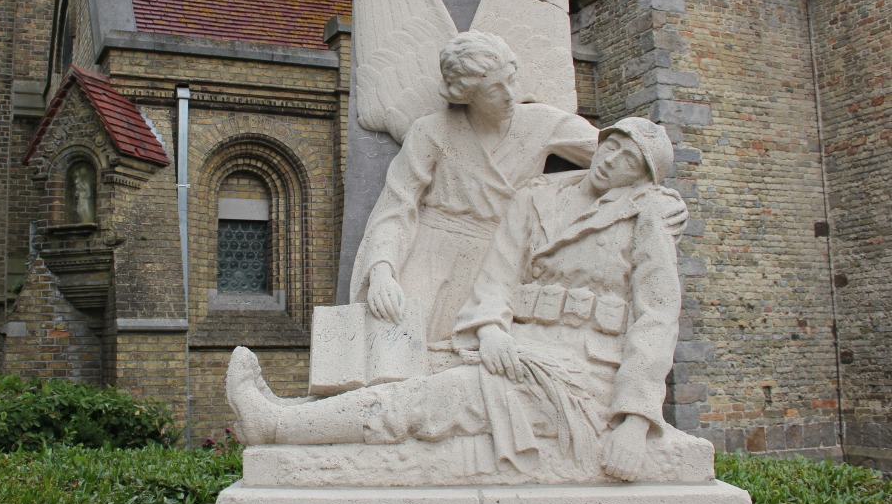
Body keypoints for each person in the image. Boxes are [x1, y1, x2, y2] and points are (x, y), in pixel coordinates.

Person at [229, 118, 688, 481]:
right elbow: (498, 276)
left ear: (644, 178)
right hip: (518, 350)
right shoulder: (538, 196)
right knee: (421, 375)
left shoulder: (649, 213)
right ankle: (292, 414)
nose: (611, 159)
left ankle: (277, 429)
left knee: (433, 399)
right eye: (611, 145)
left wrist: (634, 420)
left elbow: (657, 317)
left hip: (587, 373)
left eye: (629, 159)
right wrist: (489, 330)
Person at [350, 31, 599, 361]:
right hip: (431, 259)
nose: (510, 95)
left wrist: (652, 194)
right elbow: (398, 205)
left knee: (488, 367)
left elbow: (619, 154)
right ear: (466, 94)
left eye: (511, 80)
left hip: (501, 260)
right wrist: (382, 270)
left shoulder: (542, 123)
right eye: (495, 89)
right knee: (398, 355)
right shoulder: (431, 131)